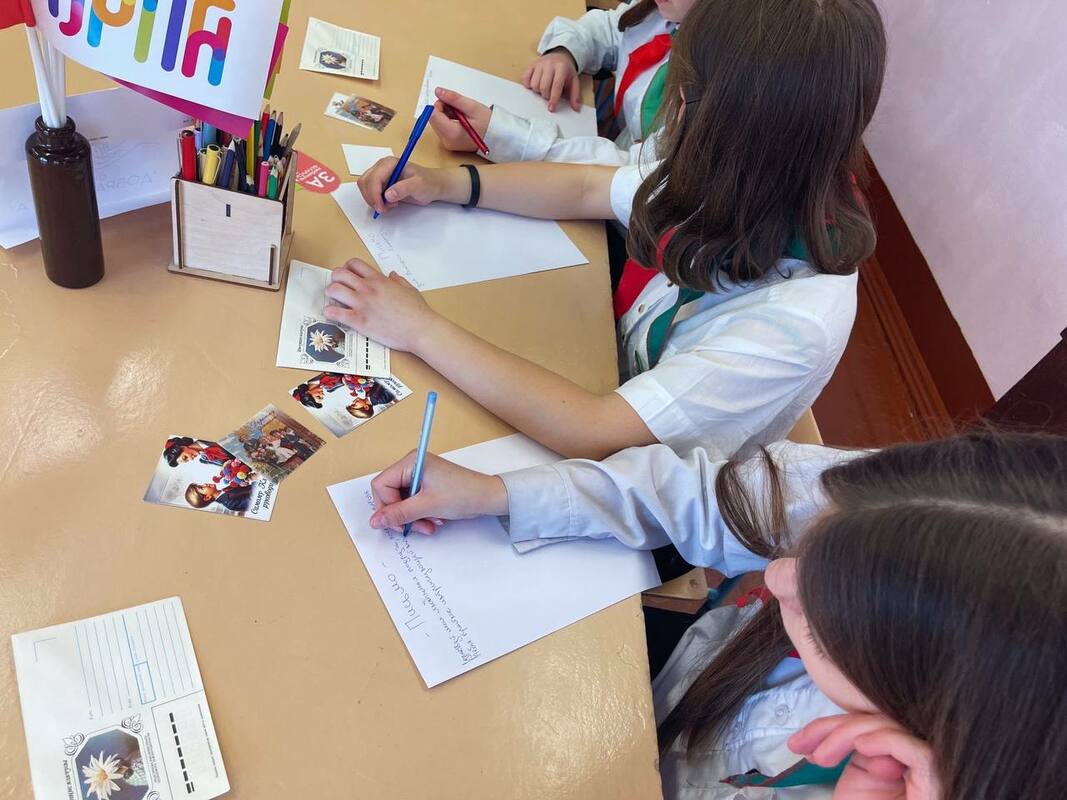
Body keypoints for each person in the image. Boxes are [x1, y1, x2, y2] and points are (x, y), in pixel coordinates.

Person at [366, 429, 1067, 799]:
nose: (776, 573)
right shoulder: (928, 519)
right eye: (805, 542)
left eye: (823, 627)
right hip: (642, 705)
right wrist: (499, 493)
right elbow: (709, 498)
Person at [326, 0, 887, 460]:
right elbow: (588, 188)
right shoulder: (755, 169)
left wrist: (419, 328)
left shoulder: (791, 323)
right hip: (600, 360)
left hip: (632, 472)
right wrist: (448, 184)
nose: (671, 118)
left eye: (683, 100)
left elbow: (595, 431)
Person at [429, 0, 696, 167]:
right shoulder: (667, 11)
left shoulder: (708, 94)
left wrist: (499, 136)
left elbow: (633, 173)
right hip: (611, 152)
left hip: (631, 219)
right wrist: (565, 52)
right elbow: (609, 29)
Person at [185, 481, 252, 514]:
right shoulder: (230, 503)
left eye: (201, 485)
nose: (204, 484)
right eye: (202, 487)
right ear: (207, 497)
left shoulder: (225, 490)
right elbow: (254, 499)